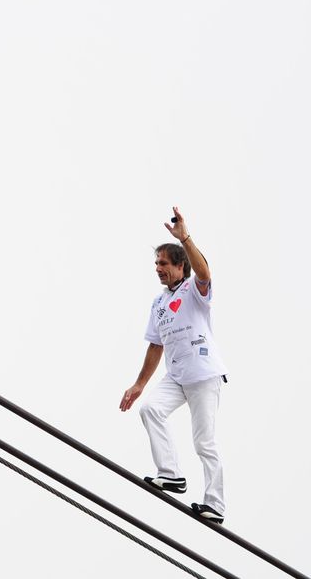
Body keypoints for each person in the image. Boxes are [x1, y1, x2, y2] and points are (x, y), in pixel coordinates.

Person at [119, 207, 228, 524]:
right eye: (156, 264)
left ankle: (216, 505)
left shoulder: (195, 291)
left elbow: (205, 272)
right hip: (177, 375)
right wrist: (139, 385)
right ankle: (171, 475)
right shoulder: (159, 303)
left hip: (204, 375)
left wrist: (186, 238)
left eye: (164, 263)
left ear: (181, 266)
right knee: (150, 409)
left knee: (204, 442)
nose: (158, 269)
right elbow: (155, 345)